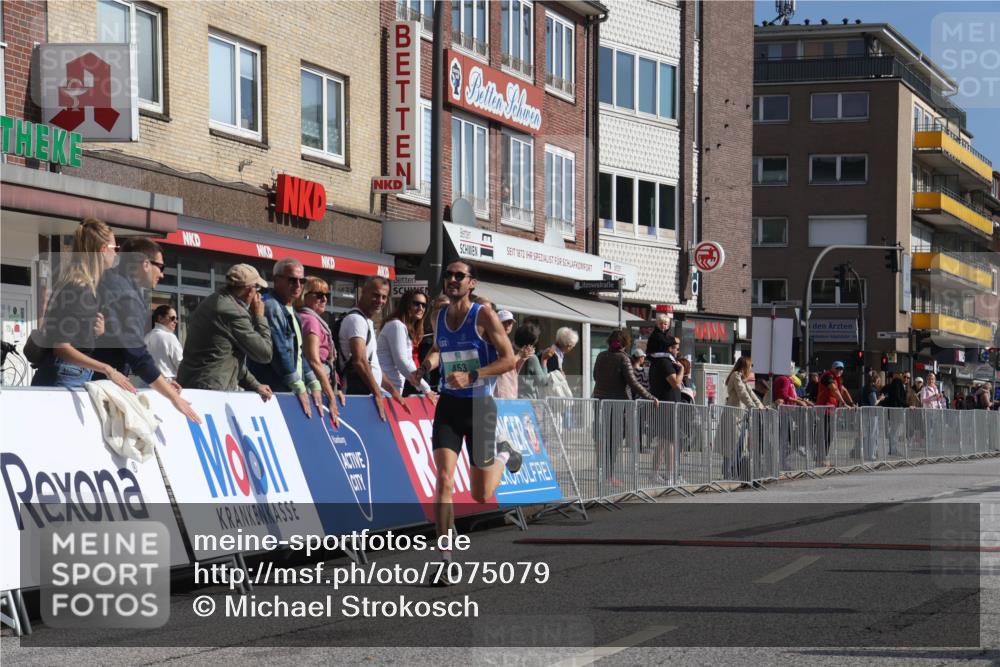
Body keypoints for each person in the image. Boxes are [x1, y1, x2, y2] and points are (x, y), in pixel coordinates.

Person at [409, 260, 519, 581]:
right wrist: (425, 368)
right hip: (449, 406)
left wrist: (473, 374)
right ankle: (446, 559)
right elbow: (437, 350)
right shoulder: (438, 315)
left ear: (472, 283)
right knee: (443, 480)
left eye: (460, 276)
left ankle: (505, 454)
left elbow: (509, 359)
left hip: (480, 408)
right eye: (449, 275)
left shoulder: (483, 315)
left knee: (481, 494)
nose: (453, 280)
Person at [93, 237, 200, 423]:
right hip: (95, 380)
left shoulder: (112, 280)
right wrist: (174, 398)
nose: (162, 274)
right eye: (161, 267)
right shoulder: (126, 295)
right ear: (145, 264)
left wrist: (163, 382)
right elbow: (137, 355)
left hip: (92, 376)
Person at [31, 218, 133, 392]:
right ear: (102, 250)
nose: (116, 254)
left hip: (68, 373)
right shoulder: (80, 289)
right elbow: (61, 348)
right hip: (66, 375)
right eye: (115, 248)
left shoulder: (77, 284)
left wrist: (94, 333)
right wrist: (108, 369)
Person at [177, 264, 274, 401]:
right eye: (257, 288)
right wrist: (259, 317)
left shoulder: (215, 300)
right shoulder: (233, 312)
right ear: (249, 290)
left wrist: (255, 385)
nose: (259, 294)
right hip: (210, 390)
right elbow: (265, 354)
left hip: (197, 383)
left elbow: (228, 357)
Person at [246, 258, 323, 419]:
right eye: (292, 280)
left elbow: (298, 352)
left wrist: (312, 382)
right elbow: (279, 350)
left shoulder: (293, 312)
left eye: (302, 281)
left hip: (287, 388)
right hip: (274, 390)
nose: (298, 285)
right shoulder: (271, 306)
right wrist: (299, 386)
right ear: (276, 280)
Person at [336, 276, 409, 421]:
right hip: (357, 396)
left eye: (384, 297)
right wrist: (377, 394)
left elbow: (373, 364)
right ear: (363, 292)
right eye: (375, 295)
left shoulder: (366, 321)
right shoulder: (356, 320)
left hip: (366, 394)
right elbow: (359, 361)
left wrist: (393, 392)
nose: (380, 301)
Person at [592, 328, 656, 487]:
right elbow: (633, 383)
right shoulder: (623, 358)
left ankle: (603, 474)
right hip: (618, 405)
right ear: (625, 343)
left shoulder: (601, 356)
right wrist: (650, 396)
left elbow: (595, 376)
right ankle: (608, 476)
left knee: (604, 440)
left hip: (599, 401)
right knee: (614, 442)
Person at [296, 276, 345, 425]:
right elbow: (314, 360)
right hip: (316, 384)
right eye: (319, 295)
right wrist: (331, 395)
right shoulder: (310, 320)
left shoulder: (309, 318)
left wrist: (336, 388)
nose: (324, 299)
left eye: (326, 295)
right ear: (304, 296)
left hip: (321, 382)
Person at [377, 288, 434, 398]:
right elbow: (402, 361)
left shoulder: (402, 327)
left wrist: (421, 386)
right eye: (416, 304)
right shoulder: (396, 325)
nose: (420, 308)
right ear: (406, 305)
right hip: (384, 391)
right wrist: (426, 389)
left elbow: (408, 361)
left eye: (424, 305)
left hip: (391, 390)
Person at [724, 356, 764, 480]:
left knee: (739, 445)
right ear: (745, 365)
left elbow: (751, 394)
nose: (751, 369)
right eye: (751, 366)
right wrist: (753, 406)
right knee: (732, 445)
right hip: (734, 414)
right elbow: (742, 394)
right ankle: (728, 473)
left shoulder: (742, 378)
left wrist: (761, 406)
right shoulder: (736, 376)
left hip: (741, 415)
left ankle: (734, 472)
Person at [513, 322, 552, 399]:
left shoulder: (509, 351)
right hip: (527, 400)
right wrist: (544, 360)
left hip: (510, 397)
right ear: (531, 343)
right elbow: (543, 382)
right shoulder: (531, 357)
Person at [145, 305, 183, 381]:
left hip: (147, 381)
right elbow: (180, 363)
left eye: (176, 318)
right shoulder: (170, 337)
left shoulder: (147, 337)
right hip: (169, 382)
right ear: (160, 318)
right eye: (172, 318)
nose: (176, 321)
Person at [494, 310, 521, 400]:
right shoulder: (495, 340)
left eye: (510, 323)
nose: (508, 325)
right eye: (505, 322)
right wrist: (519, 356)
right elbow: (503, 363)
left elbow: (512, 368)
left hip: (511, 389)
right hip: (501, 388)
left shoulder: (506, 341)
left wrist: (522, 357)